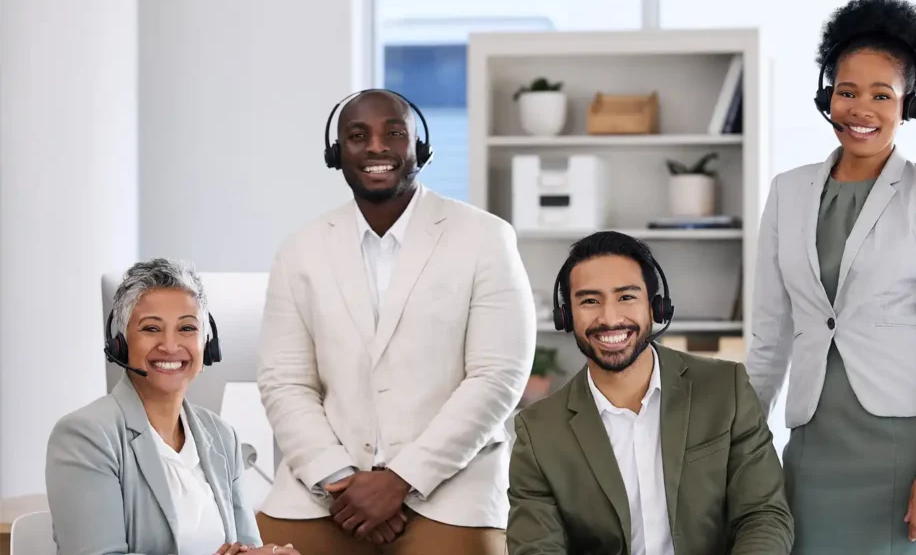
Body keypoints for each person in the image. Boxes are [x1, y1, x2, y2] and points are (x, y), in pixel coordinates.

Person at [746, 0, 916, 554]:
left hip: (910, 446)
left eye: (882, 94)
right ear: (827, 97)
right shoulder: (787, 191)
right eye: (847, 91)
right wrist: (745, 445)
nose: (861, 108)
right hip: (815, 443)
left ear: (908, 105)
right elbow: (770, 333)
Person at [255, 89, 536, 555]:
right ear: (336, 154)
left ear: (418, 149)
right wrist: (341, 480)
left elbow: (497, 376)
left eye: (395, 133)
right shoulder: (299, 250)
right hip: (326, 493)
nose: (377, 147)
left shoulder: (485, 237)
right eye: (357, 135)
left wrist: (400, 482)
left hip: (451, 489)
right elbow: (285, 382)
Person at [507, 231, 793, 555]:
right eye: (589, 300)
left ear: (656, 307)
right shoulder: (538, 432)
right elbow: (537, 548)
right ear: (566, 316)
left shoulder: (726, 389)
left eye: (626, 297)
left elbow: (763, 516)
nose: (610, 318)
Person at [45, 259, 299, 555]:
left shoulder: (222, 437)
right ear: (121, 344)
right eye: (151, 328)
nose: (169, 345)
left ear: (208, 344)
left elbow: (247, 548)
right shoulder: (85, 436)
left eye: (187, 328)